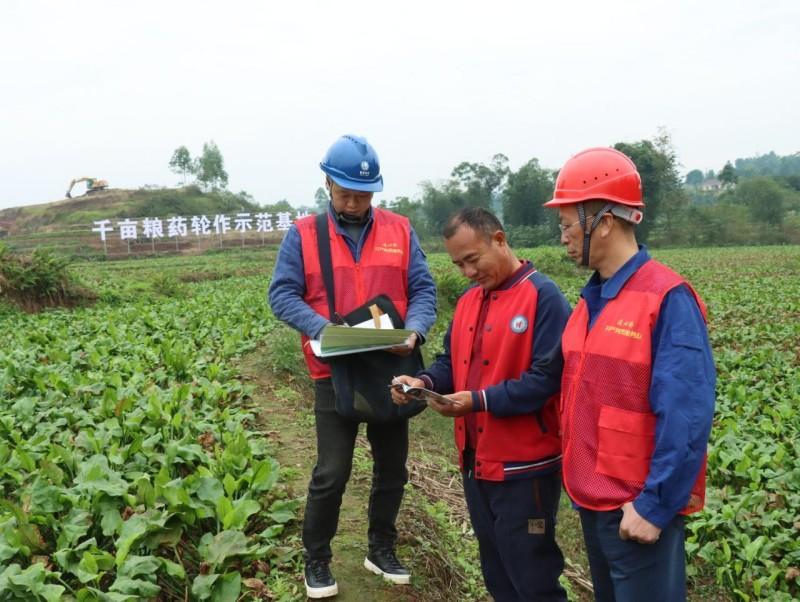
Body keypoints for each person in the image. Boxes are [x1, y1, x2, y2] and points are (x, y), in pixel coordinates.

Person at [268, 135, 437, 599]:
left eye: (363, 195)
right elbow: (281, 294)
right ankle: (317, 558)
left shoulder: (401, 230)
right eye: (345, 193)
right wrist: (323, 329)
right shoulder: (303, 235)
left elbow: (423, 289)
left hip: (391, 369)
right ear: (327, 184)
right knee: (332, 471)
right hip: (333, 371)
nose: (355, 202)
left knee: (392, 468)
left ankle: (381, 548)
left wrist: (416, 332)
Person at [543, 147, 716, 601]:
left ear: (603, 221)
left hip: (636, 512)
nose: (561, 236)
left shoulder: (667, 298)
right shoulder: (589, 301)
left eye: (566, 223)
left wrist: (655, 508)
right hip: (593, 503)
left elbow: (687, 413)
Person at [392, 207, 571, 602]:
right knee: (496, 568)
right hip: (476, 460)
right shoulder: (471, 301)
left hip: (525, 467)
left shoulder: (544, 296)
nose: (468, 272)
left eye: (473, 259)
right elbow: (450, 363)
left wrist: (478, 401)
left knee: (533, 573)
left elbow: (547, 379)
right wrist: (422, 382)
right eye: (459, 264)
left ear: (500, 240)